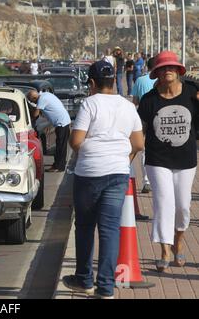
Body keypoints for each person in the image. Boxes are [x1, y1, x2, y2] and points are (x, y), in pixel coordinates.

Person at [62, 60, 144, 299]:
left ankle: (84, 279)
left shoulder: (90, 103)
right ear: (113, 80)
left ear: (92, 83)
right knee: (109, 230)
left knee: (86, 227)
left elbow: (76, 141)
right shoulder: (128, 107)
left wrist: (91, 150)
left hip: (89, 174)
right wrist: (121, 157)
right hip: (118, 173)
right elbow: (138, 143)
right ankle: (106, 288)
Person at [137, 51, 199, 273]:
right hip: (157, 160)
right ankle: (164, 250)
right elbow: (140, 131)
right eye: (162, 68)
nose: (167, 71)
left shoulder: (192, 93)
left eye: (171, 67)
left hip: (186, 160)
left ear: (179, 70)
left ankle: (178, 242)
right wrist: (129, 154)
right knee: (164, 204)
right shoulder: (149, 100)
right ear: (156, 74)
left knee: (182, 206)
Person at [27, 90, 71, 172]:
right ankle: (59, 163)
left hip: (61, 123)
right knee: (61, 145)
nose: (34, 103)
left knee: (60, 146)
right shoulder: (45, 94)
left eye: (32, 101)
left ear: (34, 97)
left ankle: (58, 166)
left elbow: (35, 115)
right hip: (63, 121)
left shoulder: (41, 99)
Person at [132, 57, 157, 199]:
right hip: (161, 117)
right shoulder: (162, 80)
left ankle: (146, 181)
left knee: (143, 149)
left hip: (142, 118)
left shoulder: (140, 80)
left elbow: (135, 101)